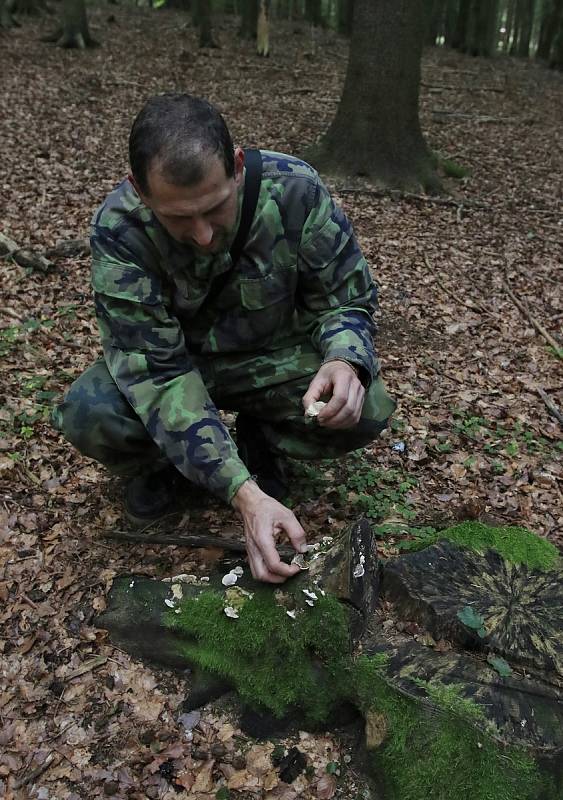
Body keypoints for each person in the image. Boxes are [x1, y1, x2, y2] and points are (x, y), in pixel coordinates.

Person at [53, 93, 395, 584]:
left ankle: (262, 436)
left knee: (369, 403)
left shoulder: (294, 191)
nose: (203, 235)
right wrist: (245, 494)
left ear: (237, 167)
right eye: (177, 219)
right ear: (139, 190)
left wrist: (345, 358)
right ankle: (166, 465)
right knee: (92, 413)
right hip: (179, 367)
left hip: (268, 362)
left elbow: (347, 297)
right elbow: (159, 374)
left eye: (215, 208)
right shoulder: (120, 230)